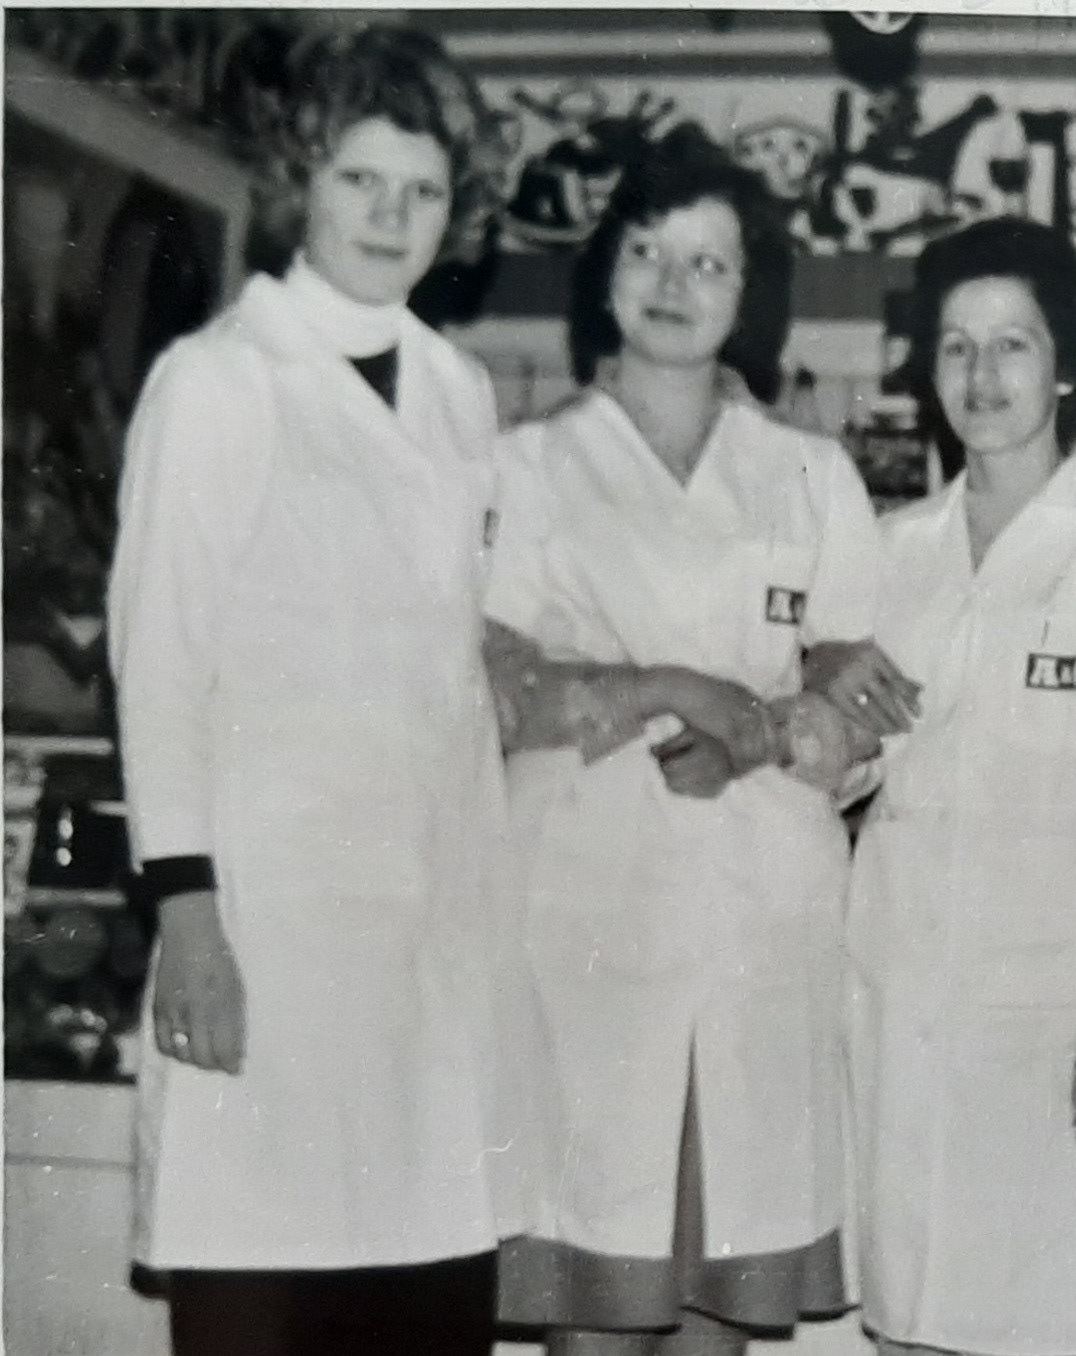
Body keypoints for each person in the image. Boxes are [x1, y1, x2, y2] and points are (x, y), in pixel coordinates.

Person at [106, 25, 518, 1356]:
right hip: (264, 938)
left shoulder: (460, 395)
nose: (392, 216)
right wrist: (189, 915)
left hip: (425, 957)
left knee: (421, 1293)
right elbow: (159, 663)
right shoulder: (217, 381)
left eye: (424, 190)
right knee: (261, 1292)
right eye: (361, 181)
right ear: (302, 181)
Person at [483, 126, 882, 1356]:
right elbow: (490, 695)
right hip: (584, 931)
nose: (673, 282)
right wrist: (671, 685)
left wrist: (756, 735)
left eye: (709, 262)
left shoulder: (809, 475)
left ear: (748, 293)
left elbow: (865, 715)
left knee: (720, 1305)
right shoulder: (527, 465)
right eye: (648, 251)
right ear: (604, 270)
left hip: (758, 932)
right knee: (594, 1299)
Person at [811, 216, 1076, 1356]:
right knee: (908, 1314)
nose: (982, 376)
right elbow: (848, 766)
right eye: (957, 347)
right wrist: (817, 695)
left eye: (1012, 345)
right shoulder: (892, 549)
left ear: (1066, 363)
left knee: (1047, 1322)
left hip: (1057, 1015)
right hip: (899, 996)